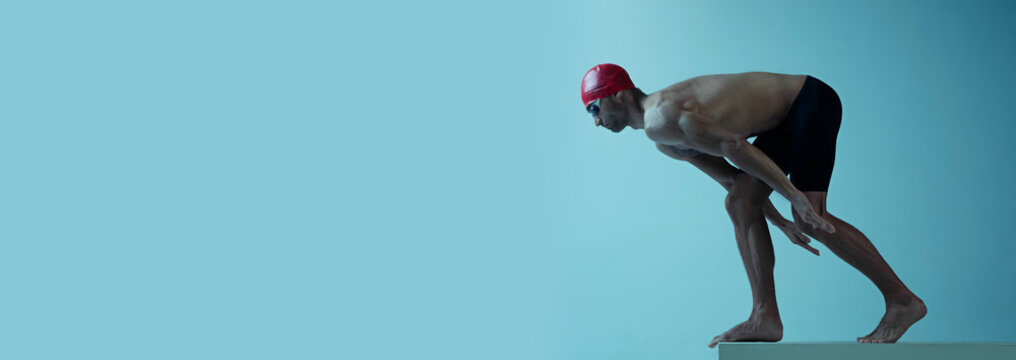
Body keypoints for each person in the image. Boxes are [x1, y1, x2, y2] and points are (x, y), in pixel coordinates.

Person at [580, 63, 926, 348]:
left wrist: (794, 198)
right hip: (781, 122)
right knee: (739, 204)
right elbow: (734, 181)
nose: (595, 121)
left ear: (618, 94)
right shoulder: (663, 142)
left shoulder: (661, 118)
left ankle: (902, 301)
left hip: (809, 101)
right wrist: (779, 221)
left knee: (811, 217)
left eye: (594, 108)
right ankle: (765, 316)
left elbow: (734, 145)